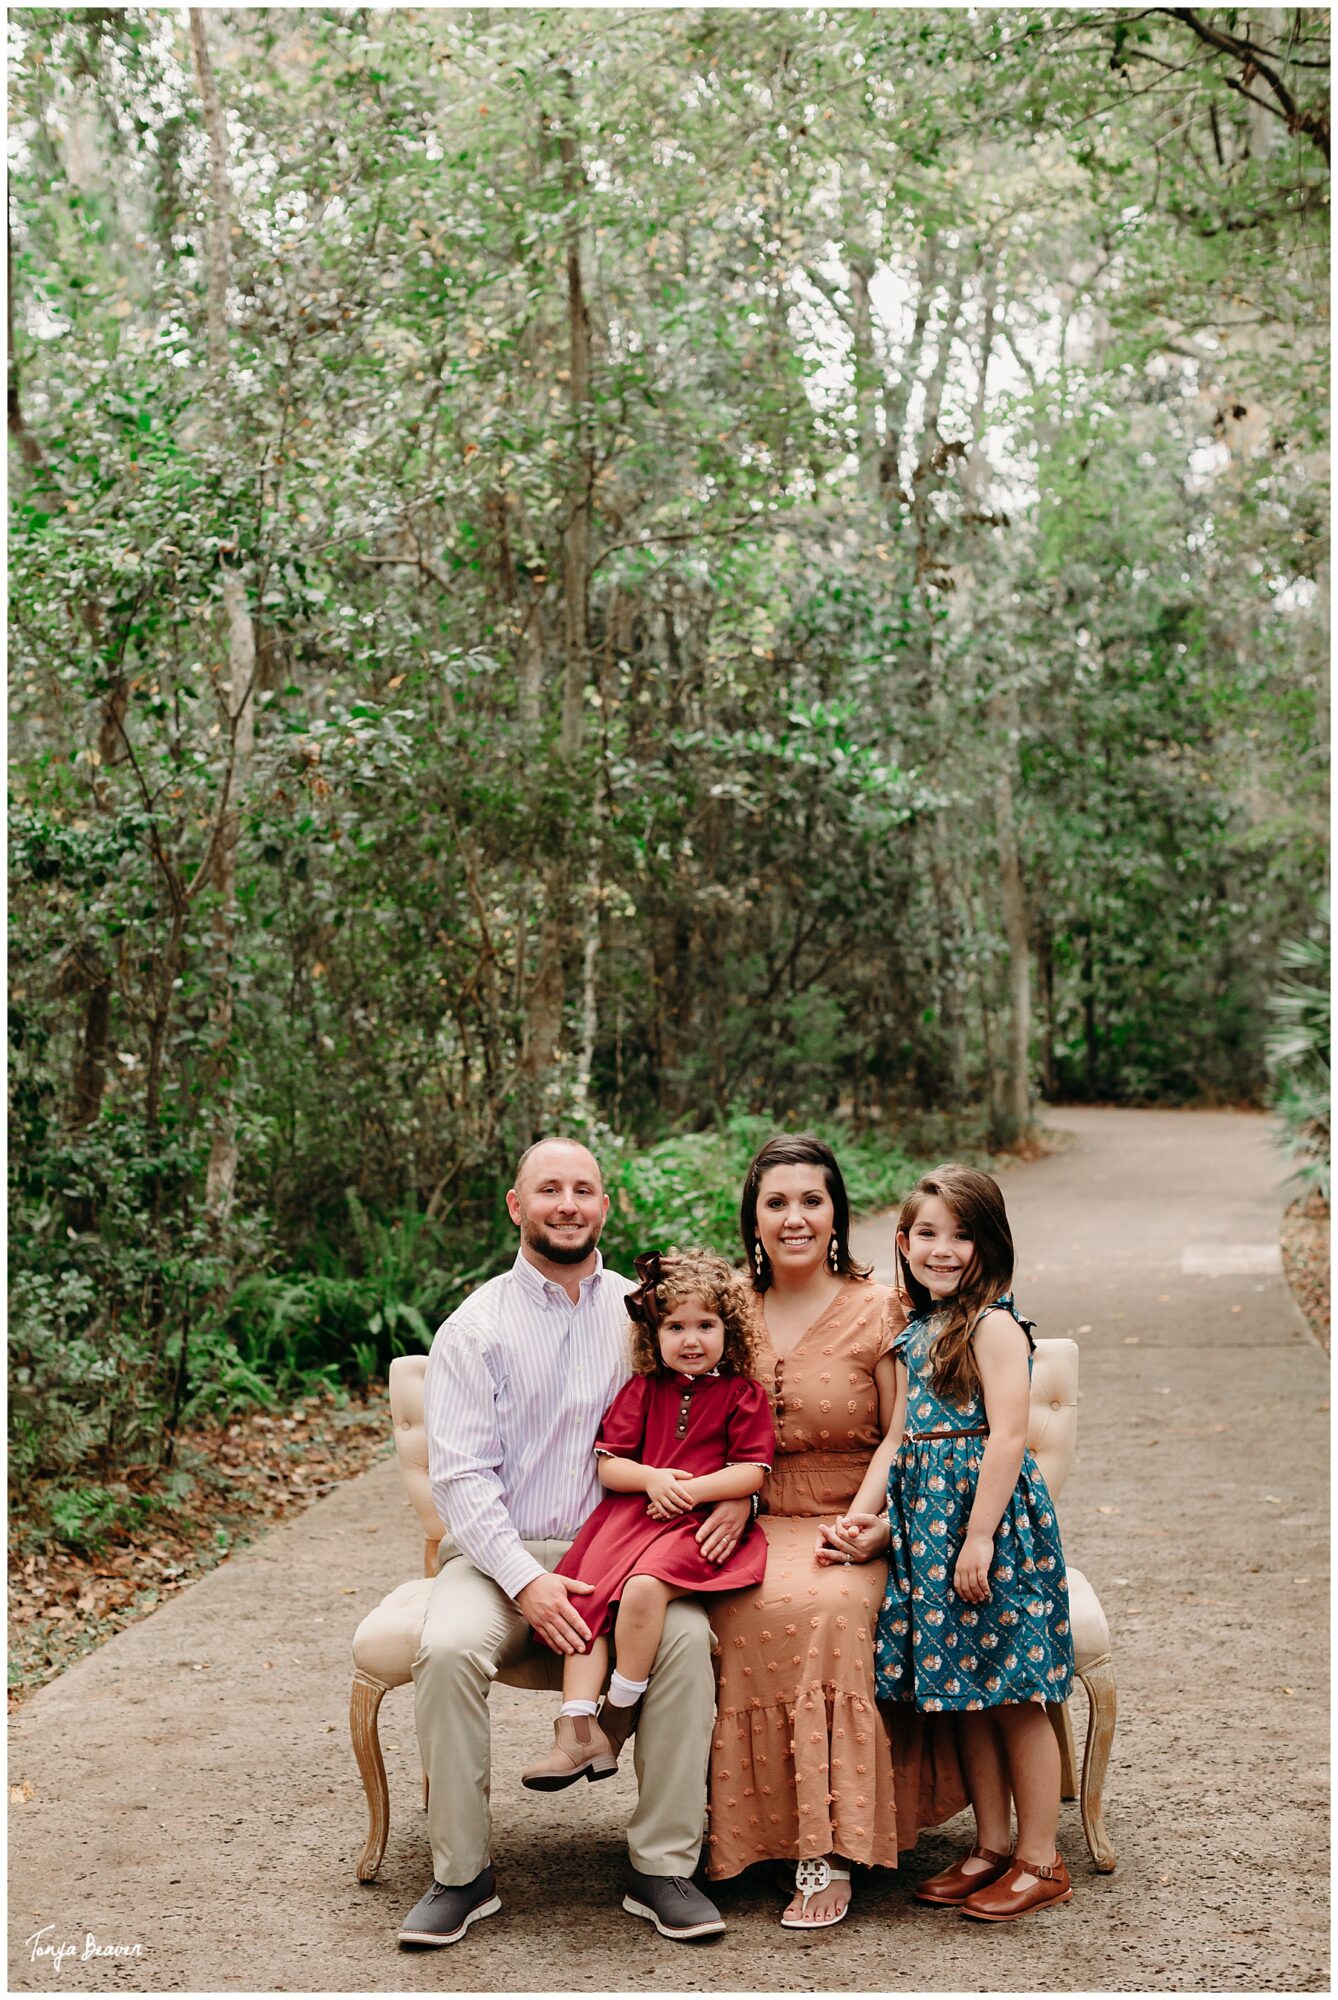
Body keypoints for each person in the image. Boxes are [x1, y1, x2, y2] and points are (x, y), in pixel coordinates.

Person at [400, 1138, 752, 1948]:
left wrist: (740, 1496)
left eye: (583, 1189)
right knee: (449, 1647)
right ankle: (462, 1875)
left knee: (688, 1640)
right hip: (497, 1557)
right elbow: (460, 1479)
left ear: (605, 1206)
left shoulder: (645, 1312)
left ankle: (661, 1864)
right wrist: (527, 1581)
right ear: (517, 1207)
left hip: (626, 1550)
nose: (568, 1203)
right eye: (548, 1189)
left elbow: (717, 1411)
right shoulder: (475, 1326)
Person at [705, 1135, 968, 1929]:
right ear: (752, 1217)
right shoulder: (726, 1309)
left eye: (811, 1201)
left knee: (822, 1612)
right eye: (776, 1202)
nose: (795, 1218)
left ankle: (830, 1848)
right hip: (747, 1515)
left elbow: (907, 1435)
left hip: (858, 1516)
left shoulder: (878, 1309)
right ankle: (736, 1834)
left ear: (837, 1213)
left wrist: (884, 1525)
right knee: (725, 1608)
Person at [829, 1164, 1075, 1923]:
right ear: (904, 1242)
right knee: (962, 1693)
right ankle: (991, 1844)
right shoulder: (918, 1330)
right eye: (927, 1234)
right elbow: (898, 1438)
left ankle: (1042, 1857)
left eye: (960, 1235)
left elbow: (1006, 1438)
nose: (942, 1249)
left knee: (1012, 1695)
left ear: (987, 1242)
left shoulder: (994, 1325)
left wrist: (978, 1538)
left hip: (984, 1529)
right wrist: (861, 1518)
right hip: (927, 1529)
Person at [521, 1248, 774, 1792]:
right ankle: (575, 1726)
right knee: (584, 1597)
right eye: (675, 1326)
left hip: (697, 1526)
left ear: (729, 1332)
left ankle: (620, 1710)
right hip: (633, 1516)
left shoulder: (742, 1395)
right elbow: (611, 1467)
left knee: (640, 1589)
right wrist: (653, 1479)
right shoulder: (642, 1390)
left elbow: (750, 1473)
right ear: (652, 1335)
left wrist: (686, 1492)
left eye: (706, 1325)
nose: (691, 1339)